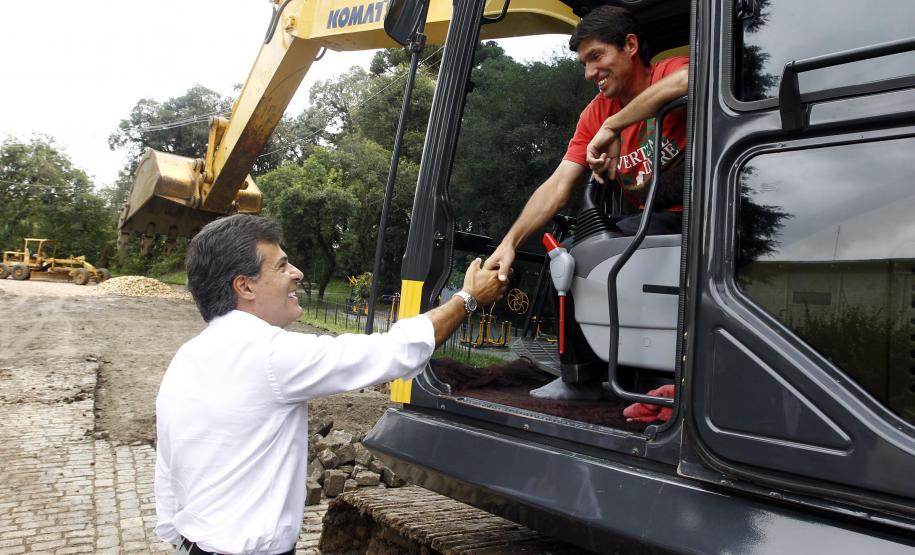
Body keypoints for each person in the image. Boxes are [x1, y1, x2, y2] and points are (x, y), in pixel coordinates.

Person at [154, 214, 503, 555]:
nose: (297, 273)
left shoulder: (187, 356)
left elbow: (168, 467)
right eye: (282, 266)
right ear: (244, 286)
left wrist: (175, 534)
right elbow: (394, 350)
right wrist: (467, 298)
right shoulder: (269, 355)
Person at [484, 6, 689, 400]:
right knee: (571, 256)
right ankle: (585, 377)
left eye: (597, 57)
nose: (590, 73)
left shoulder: (667, 72)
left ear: (630, 46)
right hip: (649, 225)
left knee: (584, 256)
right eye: (584, 63)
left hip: (697, 218)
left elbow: (688, 82)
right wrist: (509, 242)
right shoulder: (595, 113)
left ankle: (584, 382)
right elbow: (558, 185)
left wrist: (615, 126)